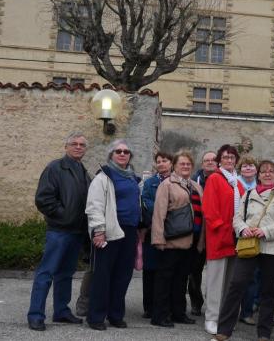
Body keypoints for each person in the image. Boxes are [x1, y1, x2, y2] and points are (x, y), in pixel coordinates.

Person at [212, 159, 274, 341]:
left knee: (268, 290)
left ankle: (264, 333)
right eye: (263, 171)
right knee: (236, 285)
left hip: (272, 248)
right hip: (248, 245)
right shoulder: (248, 194)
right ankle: (224, 329)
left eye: (271, 171)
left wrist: (265, 231)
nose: (267, 174)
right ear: (258, 174)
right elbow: (237, 218)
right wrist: (242, 228)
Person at [27, 132, 91, 331]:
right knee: (46, 272)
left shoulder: (82, 170)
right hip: (59, 230)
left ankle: (61, 311)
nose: (78, 147)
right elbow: (43, 199)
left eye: (82, 144)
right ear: (66, 147)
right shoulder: (55, 168)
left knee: (65, 273)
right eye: (74, 144)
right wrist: (63, 215)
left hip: (76, 231)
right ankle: (35, 315)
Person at [85, 139, 141, 331]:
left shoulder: (133, 177)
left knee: (123, 276)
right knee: (103, 276)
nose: (123, 154)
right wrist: (98, 231)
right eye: (118, 151)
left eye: (126, 151)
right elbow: (94, 206)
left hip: (130, 231)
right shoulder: (103, 177)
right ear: (111, 155)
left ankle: (116, 315)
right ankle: (96, 317)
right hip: (109, 232)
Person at [150, 149, 203, 327]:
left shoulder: (196, 186)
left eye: (188, 164)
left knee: (181, 279)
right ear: (174, 166)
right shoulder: (167, 184)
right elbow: (159, 212)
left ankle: (178, 313)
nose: (185, 166)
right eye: (182, 163)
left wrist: (201, 241)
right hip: (171, 241)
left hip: (190, 241)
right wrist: (158, 238)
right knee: (165, 279)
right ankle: (160, 316)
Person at [202, 144, 245, 335]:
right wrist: (222, 227)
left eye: (232, 158)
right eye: (226, 157)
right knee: (215, 281)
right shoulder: (214, 179)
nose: (229, 160)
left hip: (236, 238)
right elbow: (210, 209)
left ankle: (225, 317)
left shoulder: (238, 182)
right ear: (220, 160)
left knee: (230, 282)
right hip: (220, 237)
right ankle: (211, 317)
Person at [139, 151, 173, 319]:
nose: (161, 164)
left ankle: (166, 305)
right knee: (150, 270)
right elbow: (145, 201)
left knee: (167, 270)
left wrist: (166, 211)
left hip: (172, 232)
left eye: (164, 161)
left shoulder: (176, 181)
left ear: (171, 163)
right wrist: (162, 209)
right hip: (152, 229)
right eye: (158, 161)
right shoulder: (150, 182)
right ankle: (149, 307)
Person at [189, 150, 219, 316]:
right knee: (194, 271)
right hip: (198, 234)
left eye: (213, 160)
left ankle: (215, 305)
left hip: (217, 233)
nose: (209, 162)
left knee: (217, 273)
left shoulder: (225, 180)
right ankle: (196, 301)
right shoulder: (194, 182)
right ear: (202, 164)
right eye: (206, 160)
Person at [236, 155, 260, 325]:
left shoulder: (260, 187)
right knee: (235, 276)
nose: (248, 168)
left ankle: (247, 311)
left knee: (253, 276)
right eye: (245, 166)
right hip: (237, 231)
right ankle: (233, 310)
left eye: (251, 166)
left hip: (255, 234)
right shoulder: (234, 184)